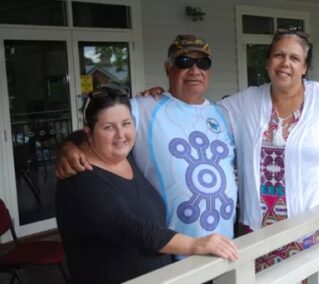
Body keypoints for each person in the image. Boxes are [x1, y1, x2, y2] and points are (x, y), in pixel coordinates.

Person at [138, 31, 319, 275]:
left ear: (304, 67)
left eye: (294, 58)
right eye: (279, 55)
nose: (285, 64)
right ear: (268, 62)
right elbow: (198, 112)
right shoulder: (246, 102)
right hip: (261, 242)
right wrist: (164, 99)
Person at [56, 36, 238, 260]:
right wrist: (69, 146)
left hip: (225, 247)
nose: (194, 69)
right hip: (171, 249)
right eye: (183, 61)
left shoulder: (223, 115)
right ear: (167, 68)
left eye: (203, 63)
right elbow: (100, 127)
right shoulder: (143, 108)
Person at [56, 87, 238, 284]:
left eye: (126, 124)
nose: (120, 135)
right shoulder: (80, 180)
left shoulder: (127, 158)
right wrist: (196, 244)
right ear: (89, 133)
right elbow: (129, 228)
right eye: (108, 127)